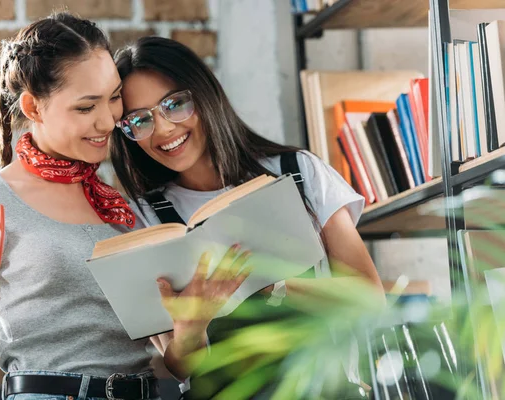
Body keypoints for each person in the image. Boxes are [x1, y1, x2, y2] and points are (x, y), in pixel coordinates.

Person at [0, 13, 250, 400]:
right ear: (34, 108)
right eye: (86, 107)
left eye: (112, 98)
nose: (108, 121)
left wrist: (192, 330)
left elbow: (176, 360)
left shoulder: (120, 208)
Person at [109, 36, 385, 397]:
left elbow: (371, 299)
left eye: (175, 104)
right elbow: (179, 366)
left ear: (205, 94)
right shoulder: (144, 220)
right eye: (139, 120)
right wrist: (191, 328)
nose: (163, 129)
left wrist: (271, 283)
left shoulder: (299, 173)